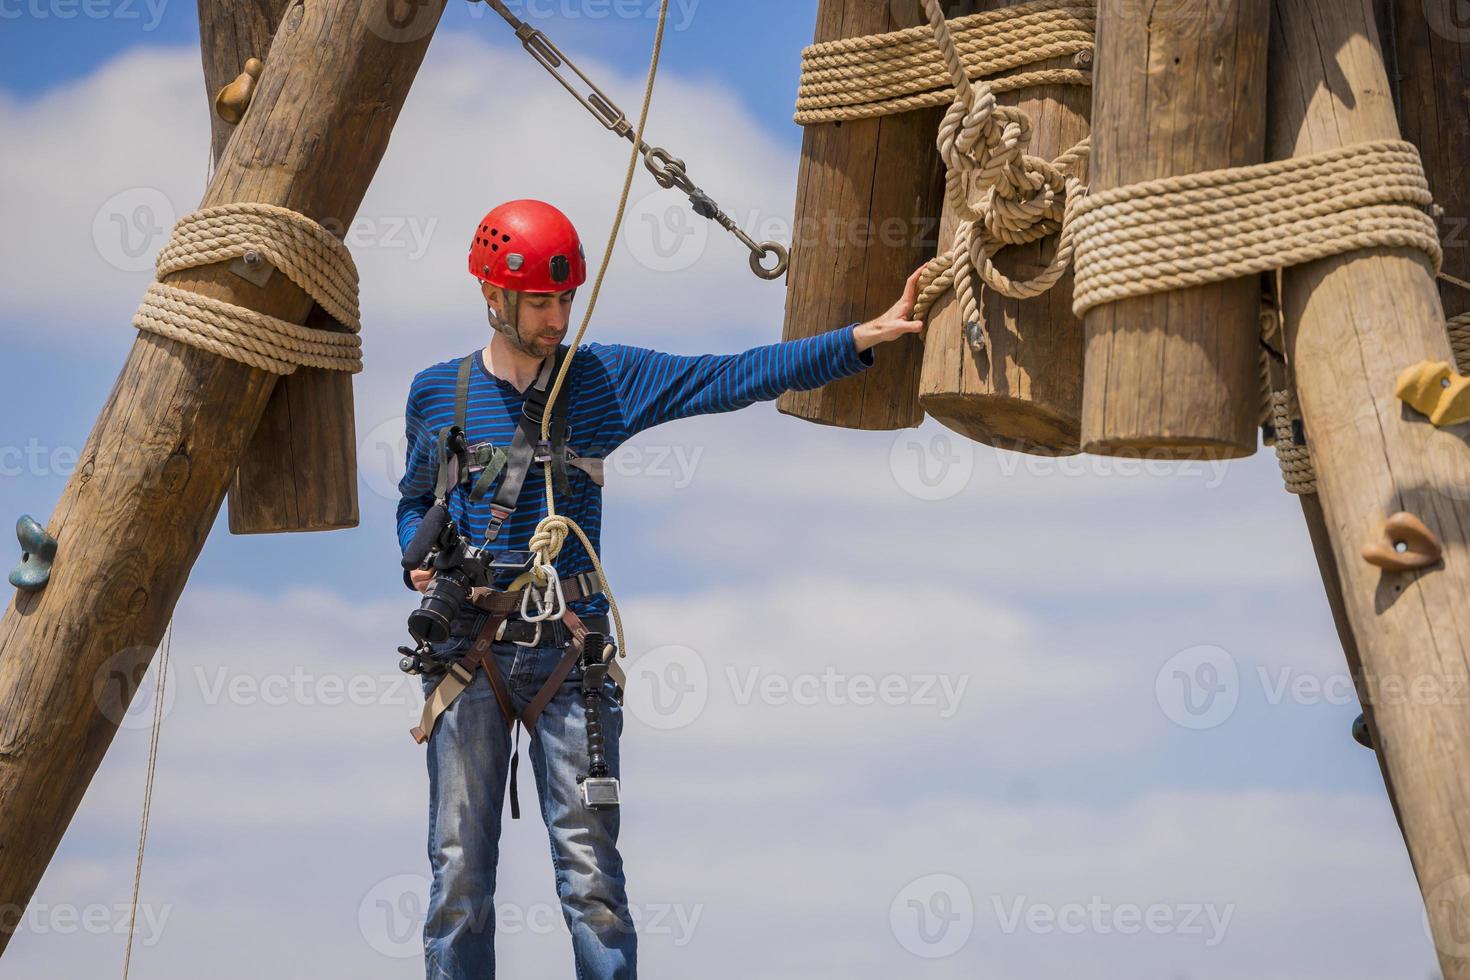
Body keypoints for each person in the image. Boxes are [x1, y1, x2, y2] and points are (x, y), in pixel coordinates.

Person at [396, 198, 925, 979]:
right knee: (458, 886)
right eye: (540, 301)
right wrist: (412, 558)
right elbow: (415, 498)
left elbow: (727, 376)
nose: (556, 316)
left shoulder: (601, 379)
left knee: (593, 889)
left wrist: (858, 341)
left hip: (570, 660)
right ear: (493, 297)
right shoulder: (438, 392)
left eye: (565, 298)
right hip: (469, 660)